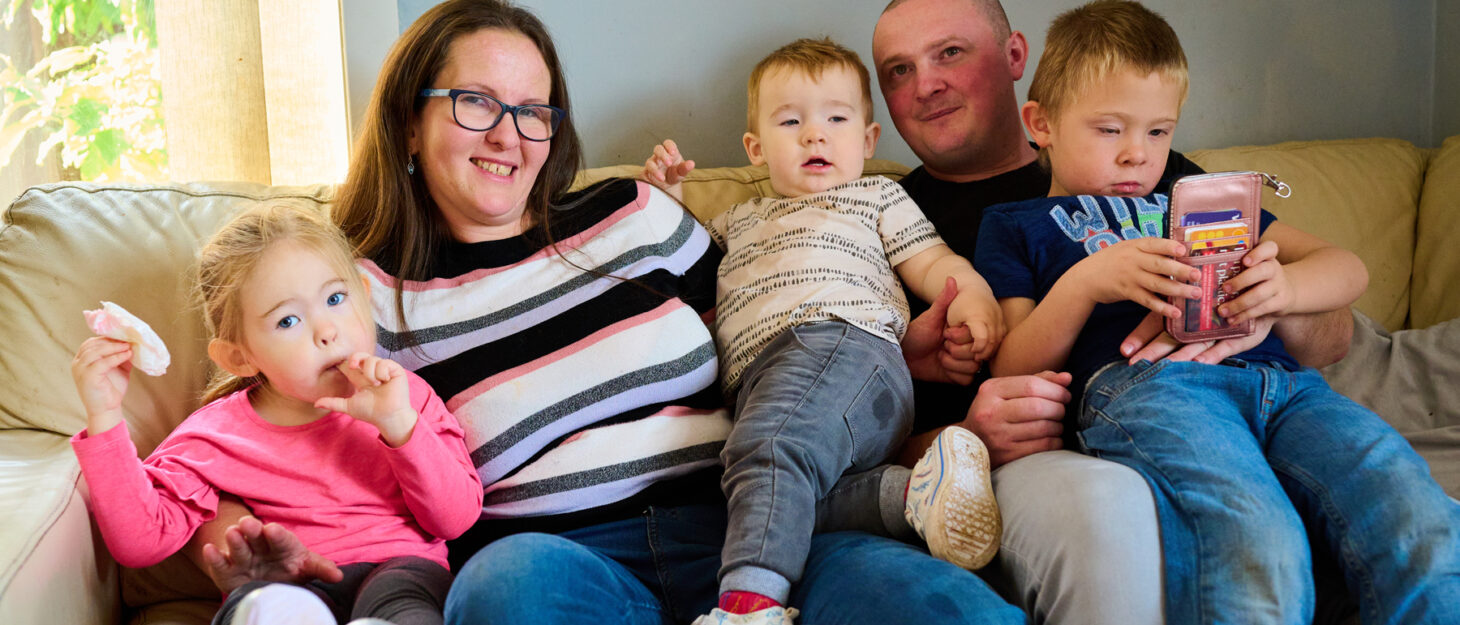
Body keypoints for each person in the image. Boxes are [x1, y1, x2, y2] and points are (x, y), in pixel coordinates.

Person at [187, 2, 1027, 625]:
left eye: (533, 110)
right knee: (503, 589)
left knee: (947, 608)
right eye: (475, 102)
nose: (508, 135)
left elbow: (772, 331)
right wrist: (231, 526)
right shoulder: (366, 296)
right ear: (410, 120)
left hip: (757, 528)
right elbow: (253, 426)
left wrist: (907, 367)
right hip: (561, 562)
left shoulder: (635, 214)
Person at [871, 0, 1357, 622]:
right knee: (1115, 508)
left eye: (950, 53)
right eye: (897, 70)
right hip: (1027, 450)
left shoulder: (1156, 176)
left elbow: (1332, 336)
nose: (927, 83)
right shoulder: (885, 216)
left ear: (1016, 57)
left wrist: (1257, 305)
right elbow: (846, 423)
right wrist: (958, 439)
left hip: (1230, 394)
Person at [974, 2, 1460, 623]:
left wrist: (1282, 289)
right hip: (1154, 390)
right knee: (1254, 530)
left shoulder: (1201, 203)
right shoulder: (1016, 225)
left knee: (1405, 498)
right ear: (1041, 123)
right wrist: (1085, 283)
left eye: (1157, 132)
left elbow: (1347, 269)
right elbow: (1011, 364)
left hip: (1288, 387)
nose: (1136, 155)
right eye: (1109, 129)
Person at [641, 37, 1005, 622]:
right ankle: (912, 492)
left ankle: (748, 607)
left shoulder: (875, 196)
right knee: (763, 482)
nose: (815, 134)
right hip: (768, 383)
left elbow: (933, 261)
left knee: (771, 451)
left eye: (836, 118)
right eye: (792, 121)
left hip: (840, 344)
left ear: (866, 140)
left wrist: (974, 295)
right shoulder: (734, 220)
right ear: (756, 148)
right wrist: (667, 204)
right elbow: (681, 276)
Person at [68, 202, 483, 625]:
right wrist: (104, 414)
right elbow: (141, 542)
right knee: (265, 605)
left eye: (336, 299)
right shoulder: (214, 437)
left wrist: (399, 426)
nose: (327, 331)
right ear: (240, 357)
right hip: (286, 586)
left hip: (402, 575)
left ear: (364, 293)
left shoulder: (405, 398)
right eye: (288, 321)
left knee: (406, 600)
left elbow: (456, 519)